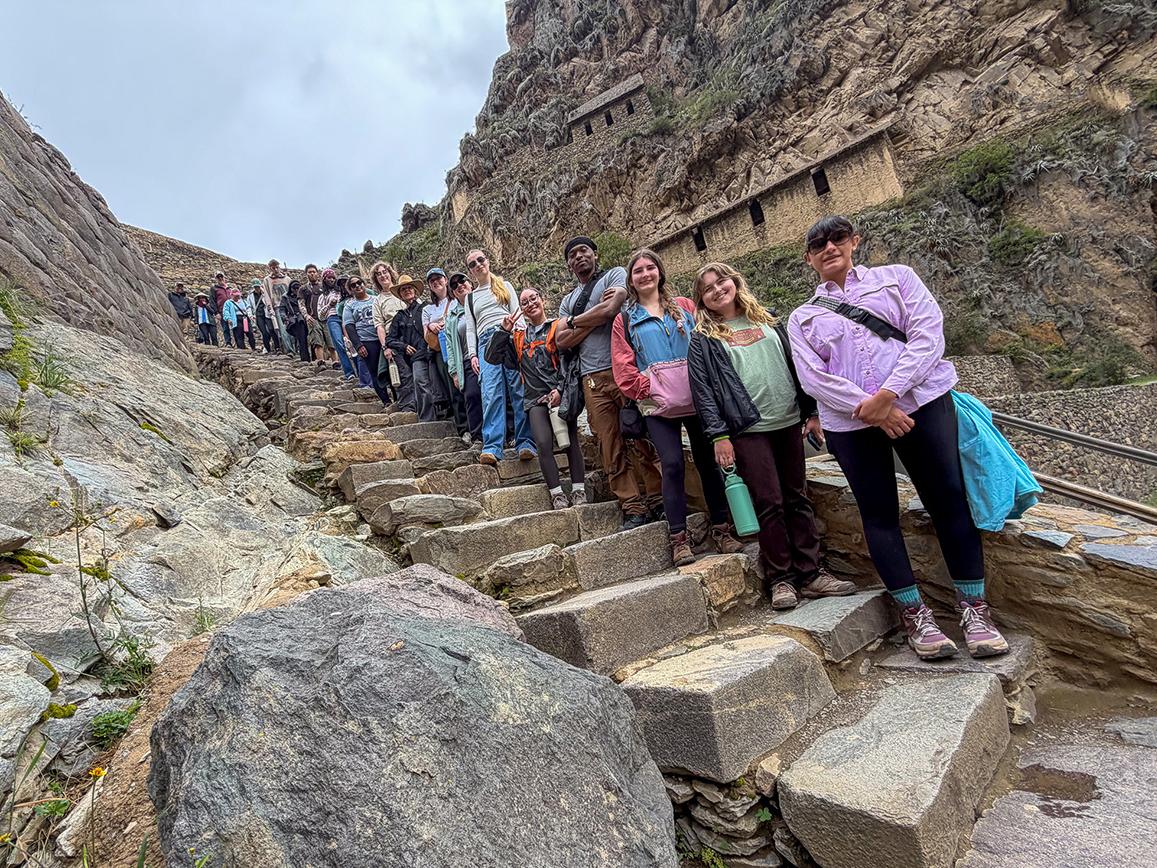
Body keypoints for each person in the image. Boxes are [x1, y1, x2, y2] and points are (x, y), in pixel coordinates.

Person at [789, 215, 1009, 659]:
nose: (829, 248)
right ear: (809, 259)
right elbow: (814, 378)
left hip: (922, 403)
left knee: (947, 499)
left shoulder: (897, 279)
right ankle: (916, 615)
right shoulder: (803, 317)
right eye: (818, 245)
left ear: (854, 241)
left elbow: (928, 336)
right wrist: (872, 409)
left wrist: (889, 395)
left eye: (836, 239)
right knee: (878, 513)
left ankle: (974, 609)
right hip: (852, 422)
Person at [689, 260, 857, 609]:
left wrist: (811, 412)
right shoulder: (703, 339)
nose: (718, 290)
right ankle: (781, 578)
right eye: (708, 288)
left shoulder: (769, 319)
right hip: (748, 428)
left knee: (798, 497)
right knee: (769, 502)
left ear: (735, 282)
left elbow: (801, 366)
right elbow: (703, 391)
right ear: (701, 300)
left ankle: (811, 574)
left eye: (722, 281)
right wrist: (718, 436)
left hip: (788, 420)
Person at [612, 250, 744, 565]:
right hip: (659, 406)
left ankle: (722, 530)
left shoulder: (685, 307)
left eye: (650, 268)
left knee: (709, 463)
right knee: (671, 465)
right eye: (638, 271)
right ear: (631, 280)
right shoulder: (626, 319)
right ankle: (679, 538)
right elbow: (622, 365)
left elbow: (709, 341)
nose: (644, 274)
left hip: (698, 399)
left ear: (660, 272)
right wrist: (649, 388)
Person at [555, 235, 663, 530]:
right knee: (609, 445)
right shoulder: (567, 301)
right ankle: (631, 505)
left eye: (584, 251)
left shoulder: (615, 275)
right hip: (591, 380)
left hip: (623, 370)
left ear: (594, 254)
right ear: (568, 264)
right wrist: (591, 318)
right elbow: (561, 340)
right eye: (573, 254)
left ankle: (658, 498)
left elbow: (612, 309)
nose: (579, 257)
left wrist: (577, 322)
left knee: (640, 436)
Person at [486, 288, 587, 509]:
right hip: (533, 399)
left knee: (570, 442)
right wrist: (503, 331)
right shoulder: (518, 338)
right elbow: (492, 357)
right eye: (524, 302)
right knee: (542, 443)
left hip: (559, 396)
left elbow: (570, 362)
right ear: (520, 309)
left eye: (534, 298)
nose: (530, 304)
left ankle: (579, 489)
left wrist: (561, 390)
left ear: (543, 300)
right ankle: (557, 493)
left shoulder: (557, 327)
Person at [463, 249, 536, 466]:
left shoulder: (505, 286)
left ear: (488, 261)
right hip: (486, 342)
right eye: (472, 264)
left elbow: (518, 314)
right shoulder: (470, 297)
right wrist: (473, 355)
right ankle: (493, 446)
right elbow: (470, 329)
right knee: (491, 392)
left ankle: (525, 442)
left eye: (480, 260)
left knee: (518, 389)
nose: (478, 265)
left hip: (510, 336)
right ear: (470, 271)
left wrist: (521, 340)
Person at [386, 275, 437, 416]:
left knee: (439, 383)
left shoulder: (427, 307)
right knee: (420, 382)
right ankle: (427, 418)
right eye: (403, 289)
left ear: (415, 291)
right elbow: (389, 339)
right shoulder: (400, 316)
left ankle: (444, 414)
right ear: (400, 295)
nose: (407, 291)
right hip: (417, 355)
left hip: (434, 350)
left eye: (409, 288)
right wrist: (404, 346)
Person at [342, 275, 393, 406]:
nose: (357, 286)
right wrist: (358, 346)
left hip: (383, 338)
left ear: (364, 284)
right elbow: (349, 326)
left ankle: (398, 397)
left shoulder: (376, 299)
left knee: (390, 368)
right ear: (350, 290)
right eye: (353, 285)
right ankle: (386, 401)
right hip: (366, 341)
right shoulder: (349, 306)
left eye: (359, 283)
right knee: (374, 372)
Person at [446, 273, 484, 442]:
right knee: (472, 396)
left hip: (488, 354)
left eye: (462, 281)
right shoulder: (452, 317)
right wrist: (454, 371)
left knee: (497, 394)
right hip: (467, 361)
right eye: (454, 286)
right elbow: (449, 346)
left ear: (471, 284)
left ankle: (509, 433)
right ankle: (478, 436)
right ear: (453, 293)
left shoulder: (482, 302)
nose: (459, 286)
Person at [371, 261, 411, 408]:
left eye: (384, 272)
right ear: (376, 279)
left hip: (411, 335)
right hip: (392, 339)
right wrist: (385, 347)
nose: (383, 276)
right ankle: (407, 407)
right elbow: (379, 326)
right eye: (379, 274)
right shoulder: (378, 301)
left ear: (390, 273)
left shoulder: (403, 291)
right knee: (401, 373)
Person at [422, 267, 459, 424]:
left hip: (459, 345)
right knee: (451, 387)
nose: (436, 282)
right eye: (432, 281)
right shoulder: (427, 309)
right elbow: (426, 335)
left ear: (445, 280)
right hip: (441, 350)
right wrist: (431, 326)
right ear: (429, 286)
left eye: (439, 278)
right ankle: (462, 425)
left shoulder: (457, 300)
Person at [316, 268, 355, 381]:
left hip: (346, 316)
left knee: (352, 342)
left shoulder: (342, 291)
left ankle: (359, 370)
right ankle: (349, 372)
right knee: (339, 343)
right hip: (332, 318)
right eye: (329, 277)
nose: (332, 280)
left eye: (333, 277)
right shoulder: (322, 296)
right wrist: (329, 305)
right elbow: (320, 316)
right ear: (324, 279)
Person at [261, 259, 292, 355]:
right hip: (277, 307)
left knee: (292, 327)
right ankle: (289, 350)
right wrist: (270, 308)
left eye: (276, 267)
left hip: (288, 306)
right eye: (273, 267)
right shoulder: (267, 280)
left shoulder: (287, 279)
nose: (275, 269)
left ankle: (295, 349)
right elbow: (267, 295)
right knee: (283, 330)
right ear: (270, 268)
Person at [301, 264, 329, 364]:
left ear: (317, 273)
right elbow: (302, 304)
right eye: (309, 272)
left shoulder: (324, 287)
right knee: (317, 341)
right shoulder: (303, 289)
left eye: (314, 271)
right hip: (312, 318)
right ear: (306, 274)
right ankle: (321, 362)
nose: (312, 273)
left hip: (326, 318)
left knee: (331, 342)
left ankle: (335, 362)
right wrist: (306, 315)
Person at [282, 281, 311, 362]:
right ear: (290, 289)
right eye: (294, 288)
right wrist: (285, 318)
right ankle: (305, 358)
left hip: (307, 317)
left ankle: (316, 357)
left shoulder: (305, 294)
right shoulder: (286, 297)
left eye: (298, 288)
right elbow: (282, 309)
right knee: (302, 339)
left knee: (312, 338)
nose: (296, 290)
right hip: (295, 320)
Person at [253, 277, 280, 354]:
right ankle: (268, 349)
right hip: (258, 315)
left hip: (267, 314)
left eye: (258, 286)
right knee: (264, 332)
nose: (257, 288)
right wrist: (251, 315)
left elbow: (269, 301)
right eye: (255, 287)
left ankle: (277, 347)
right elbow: (249, 306)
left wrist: (264, 293)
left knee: (272, 330)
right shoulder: (251, 296)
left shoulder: (265, 293)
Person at [211, 272, 234, 348]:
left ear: (224, 277)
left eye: (221, 277)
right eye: (218, 277)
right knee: (225, 327)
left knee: (236, 326)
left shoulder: (229, 288)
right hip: (222, 310)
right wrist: (216, 312)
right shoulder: (214, 288)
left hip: (232, 310)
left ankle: (238, 342)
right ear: (216, 279)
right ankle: (228, 342)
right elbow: (212, 301)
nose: (220, 278)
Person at [236, 285, 257, 350]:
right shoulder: (230, 302)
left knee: (250, 333)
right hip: (237, 318)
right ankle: (242, 348)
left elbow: (248, 308)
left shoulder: (244, 301)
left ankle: (253, 347)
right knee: (240, 334)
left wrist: (250, 315)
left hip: (245, 317)